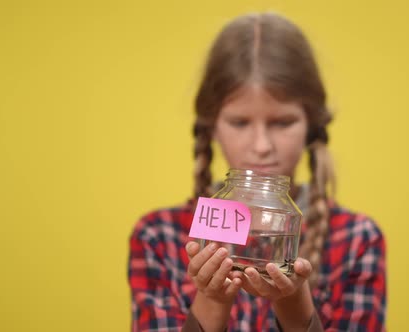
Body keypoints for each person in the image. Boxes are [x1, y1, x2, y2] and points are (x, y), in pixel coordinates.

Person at [128, 12, 386, 331]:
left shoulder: (358, 239)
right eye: (239, 122)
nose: (262, 146)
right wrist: (212, 298)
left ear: (312, 127)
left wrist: (292, 301)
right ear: (211, 128)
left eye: (282, 122)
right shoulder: (157, 237)